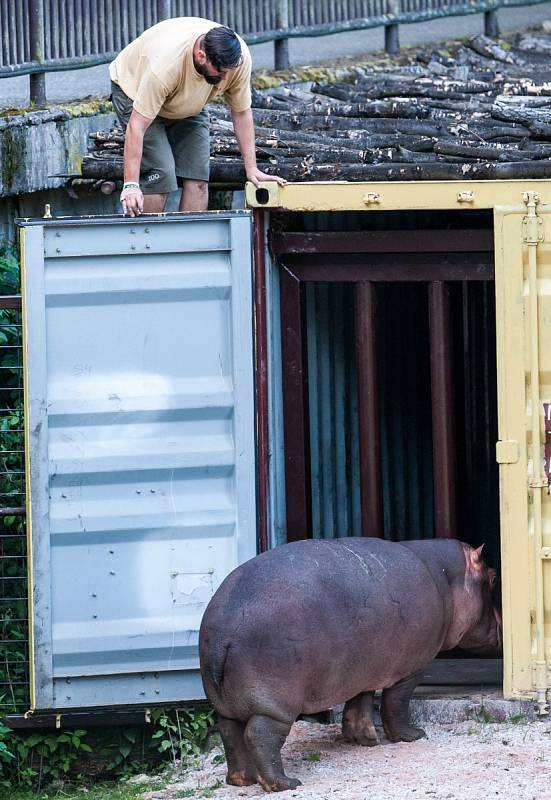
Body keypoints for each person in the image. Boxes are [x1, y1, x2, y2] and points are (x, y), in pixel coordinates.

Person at [109, 17, 285, 217]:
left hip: (188, 102)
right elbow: (137, 126)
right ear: (201, 56)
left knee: (198, 180)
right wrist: (131, 185)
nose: (226, 79)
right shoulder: (165, 67)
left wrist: (251, 168)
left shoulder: (236, 60)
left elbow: (241, 112)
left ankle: (188, 246)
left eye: (230, 71)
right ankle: (145, 244)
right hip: (134, 90)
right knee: (160, 176)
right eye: (221, 72)